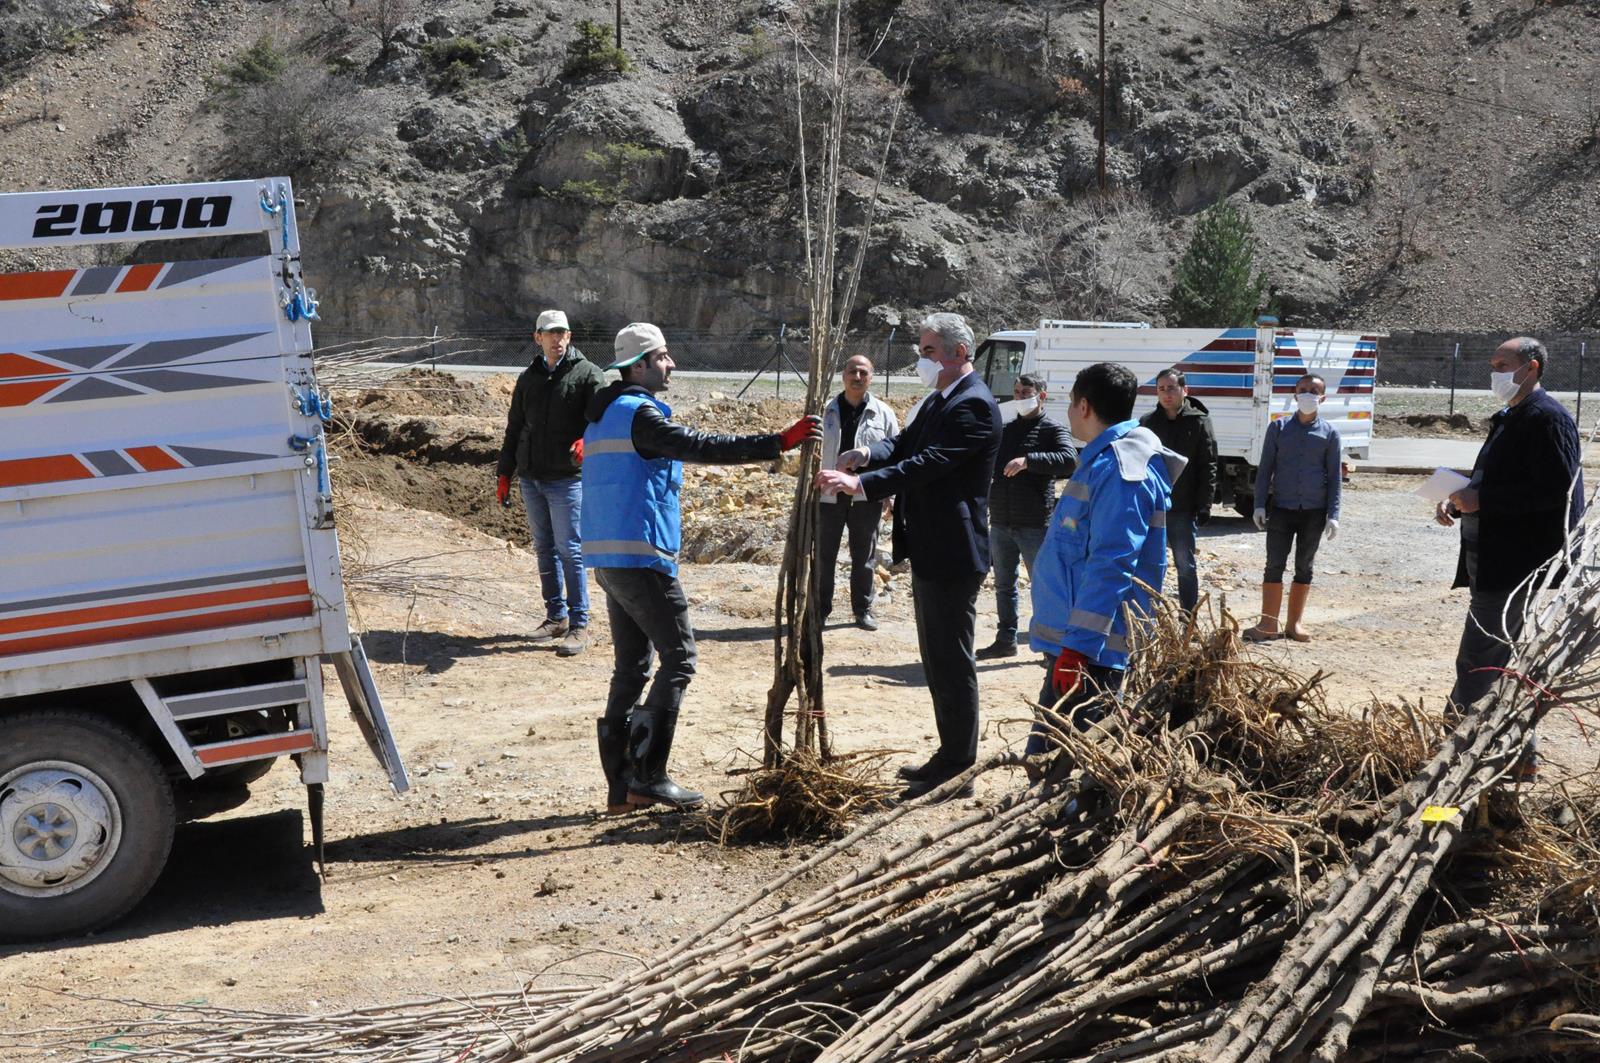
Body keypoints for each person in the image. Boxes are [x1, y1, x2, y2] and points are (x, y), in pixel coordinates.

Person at [584, 323, 820, 813]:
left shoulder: (604, 413)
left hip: (609, 558)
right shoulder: (640, 415)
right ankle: (648, 777)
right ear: (642, 364)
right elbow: (701, 446)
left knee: (630, 668)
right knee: (679, 658)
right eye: (664, 357)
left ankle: (622, 788)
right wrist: (778, 442)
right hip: (643, 557)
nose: (672, 365)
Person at [817, 312, 1001, 800]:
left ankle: (959, 766)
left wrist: (862, 484)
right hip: (930, 545)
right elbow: (905, 444)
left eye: (927, 351)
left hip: (953, 550)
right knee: (935, 658)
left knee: (951, 659)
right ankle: (948, 753)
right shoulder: (940, 398)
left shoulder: (974, 405)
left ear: (958, 353)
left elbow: (931, 462)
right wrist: (868, 455)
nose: (920, 359)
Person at [1026, 362, 1183, 765]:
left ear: (1084, 406)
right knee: (1053, 762)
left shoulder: (1120, 470)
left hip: (1090, 655)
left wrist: (1077, 650)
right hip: (1076, 646)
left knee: (1059, 766)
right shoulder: (1102, 461)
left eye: (1070, 403)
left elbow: (1112, 565)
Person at [1435, 337, 1583, 733]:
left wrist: (1482, 499)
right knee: (1501, 660)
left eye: (1502, 365)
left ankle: (1456, 746)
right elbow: (1501, 481)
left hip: (1517, 565)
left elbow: (1556, 491)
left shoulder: (1547, 418)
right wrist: (1458, 496)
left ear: (1531, 367)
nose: (1495, 373)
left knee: (1479, 659)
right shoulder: (1512, 416)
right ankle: (1516, 753)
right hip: (1493, 558)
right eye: (1493, 365)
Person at [496, 309, 605, 657]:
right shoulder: (529, 378)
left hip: (566, 479)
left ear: (570, 337)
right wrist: (504, 471)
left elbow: (605, 418)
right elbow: (515, 428)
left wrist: (589, 439)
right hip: (532, 477)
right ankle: (555, 616)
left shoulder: (589, 375)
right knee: (544, 548)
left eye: (563, 333)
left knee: (570, 550)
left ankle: (578, 624)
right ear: (537, 337)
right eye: (550, 333)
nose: (557, 339)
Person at [977, 373, 1077, 659]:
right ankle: (1006, 639)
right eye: (1017, 392)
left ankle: (1052, 648)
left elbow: (1070, 460)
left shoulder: (1051, 429)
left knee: (1044, 587)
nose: (1020, 397)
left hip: (1035, 524)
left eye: (1026, 392)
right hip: (1001, 522)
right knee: (1004, 586)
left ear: (1041, 396)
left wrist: (1029, 461)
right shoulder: (1006, 430)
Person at [1243, 373, 1342, 643]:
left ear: (1323, 397)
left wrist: (1334, 515)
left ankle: (1294, 624)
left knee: (1304, 567)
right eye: (1303, 390)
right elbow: (1266, 469)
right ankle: (1267, 623)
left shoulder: (1330, 433)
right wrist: (1259, 504)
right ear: (1294, 394)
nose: (1308, 394)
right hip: (1282, 508)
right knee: (1274, 565)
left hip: (1313, 511)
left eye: (1314, 390)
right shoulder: (1278, 428)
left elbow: (1334, 477)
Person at [818, 354, 899, 631]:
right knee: (824, 554)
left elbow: (894, 456)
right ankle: (820, 610)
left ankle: (862, 609)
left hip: (867, 494)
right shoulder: (825, 409)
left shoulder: (884, 413)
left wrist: (890, 494)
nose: (857, 377)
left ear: (871, 377)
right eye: (852, 371)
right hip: (828, 495)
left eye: (863, 372)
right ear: (843, 375)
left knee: (864, 555)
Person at [1138, 368, 1218, 613]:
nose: (1166, 394)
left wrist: (1205, 504)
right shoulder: (1147, 423)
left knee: (1185, 565)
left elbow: (1209, 464)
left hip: (1183, 508)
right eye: (1161, 389)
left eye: (1171, 388)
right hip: (1154, 507)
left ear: (1185, 390)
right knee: (1150, 565)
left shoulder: (1199, 421)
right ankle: (1149, 617)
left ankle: (1187, 618)